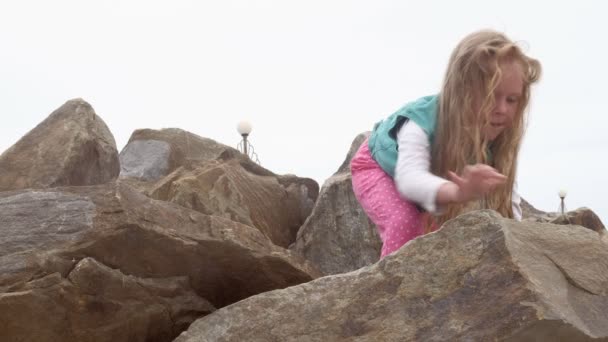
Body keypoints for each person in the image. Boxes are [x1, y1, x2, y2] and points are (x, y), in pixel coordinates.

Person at [351, 30, 542, 258]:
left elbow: (506, 193)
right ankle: (391, 289)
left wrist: (517, 240)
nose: (502, 109)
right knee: (406, 222)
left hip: (436, 177)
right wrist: (458, 191)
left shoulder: (496, 135)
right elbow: (410, 180)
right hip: (379, 167)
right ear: (462, 91)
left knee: (441, 232)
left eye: (512, 100)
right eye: (491, 96)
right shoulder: (421, 121)